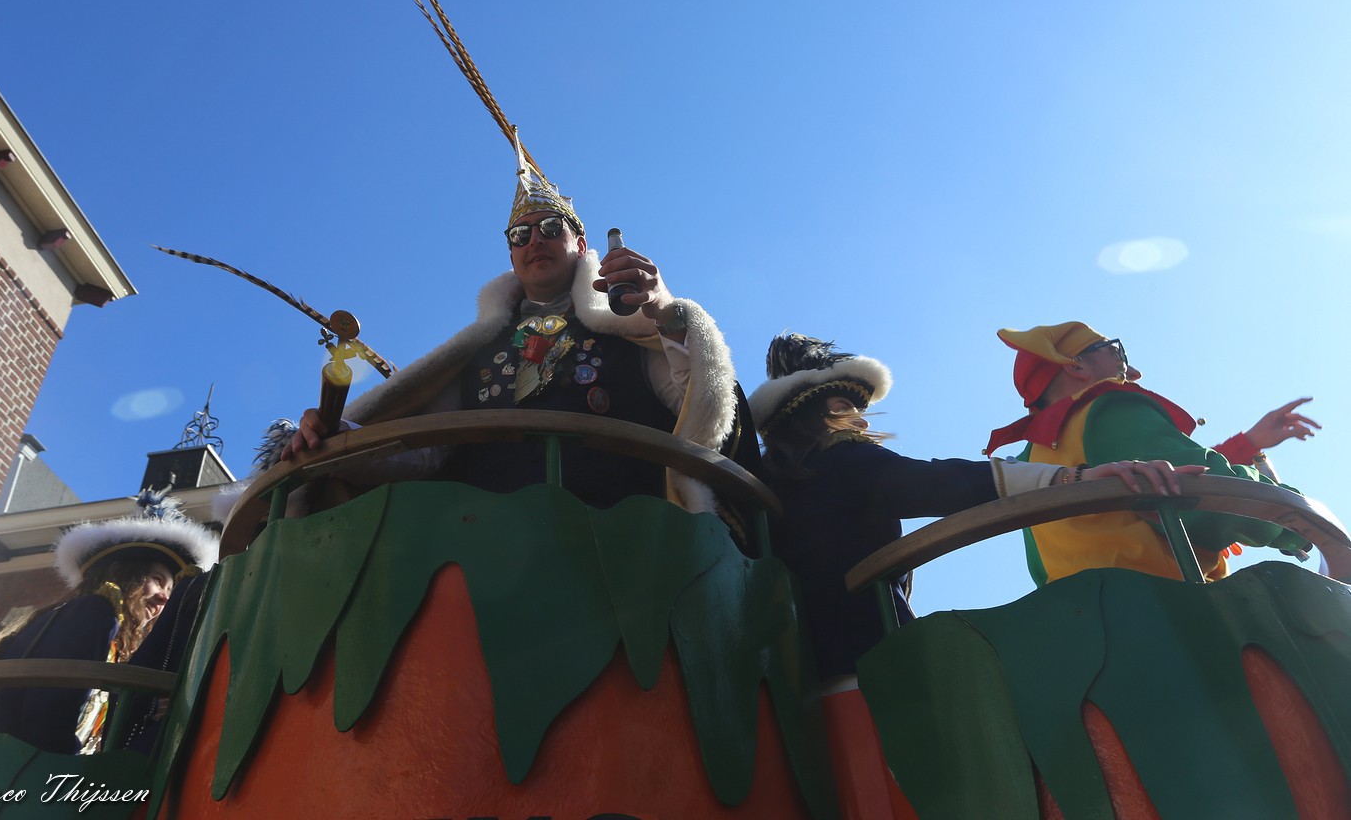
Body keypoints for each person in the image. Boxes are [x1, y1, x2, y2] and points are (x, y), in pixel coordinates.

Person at [283, 144, 754, 519]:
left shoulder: (629, 327)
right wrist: (340, 437)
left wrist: (667, 314)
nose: (534, 241)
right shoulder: (477, 352)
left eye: (550, 226)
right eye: (519, 235)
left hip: (623, 544)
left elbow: (699, 408)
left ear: (580, 243)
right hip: (485, 554)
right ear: (510, 255)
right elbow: (425, 451)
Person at [750, 333, 1198, 687]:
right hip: (863, 666)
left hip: (795, 668)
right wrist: (1072, 478)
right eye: (845, 406)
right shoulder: (836, 460)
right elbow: (936, 482)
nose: (862, 420)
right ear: (815, 412)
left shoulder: (778, 480)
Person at [986, 321, 1310, 586]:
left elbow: (1161, 474)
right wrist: (1299, 523)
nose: (1134, 373)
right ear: (1075, 365)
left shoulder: (1030, 464)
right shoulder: (1107, 409)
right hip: (1173, 606)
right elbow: (1204, 489)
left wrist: (1248, 444)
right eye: (1116, 352)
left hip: (1087, 622)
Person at [0, 507, 218, 754]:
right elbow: (50, 715)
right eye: (157, 580)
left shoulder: (108, 639)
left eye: (171, 590)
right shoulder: (93, 612)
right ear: (121, 572)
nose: (164, 597)